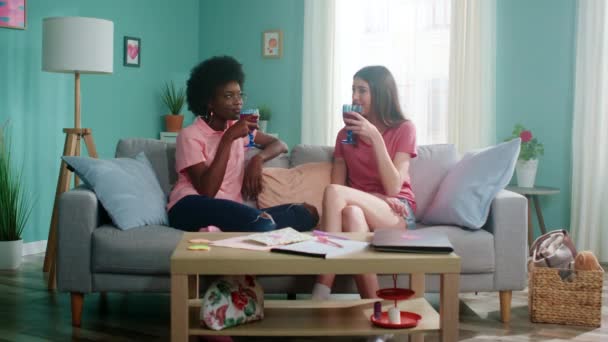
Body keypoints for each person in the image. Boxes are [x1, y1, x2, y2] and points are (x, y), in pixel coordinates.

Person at [167, 56, 318, 232]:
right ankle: (259, 224)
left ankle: (258, 224)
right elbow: (207, 191)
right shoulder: (190, 135)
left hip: (231, 212)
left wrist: (257, 160)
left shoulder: (238, 130)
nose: (238, 101)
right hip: (190, 206)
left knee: (307, 213)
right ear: (209, 102)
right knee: (261, 222)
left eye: (240, 94)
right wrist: (228, 138)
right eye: (229, 96)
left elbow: (280, 144)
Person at [312, 65, 417, 300]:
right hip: (361, 208)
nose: (355, 97)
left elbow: (393, 188)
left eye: (362, 90)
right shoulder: (344, 136)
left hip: (397, 210)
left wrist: (375, 137)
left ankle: (321, 286)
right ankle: (375, 309)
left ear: (380, 93)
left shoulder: (404, 129)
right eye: (353, 90)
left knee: (338, 196)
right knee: (350, 214)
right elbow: (338, 190)